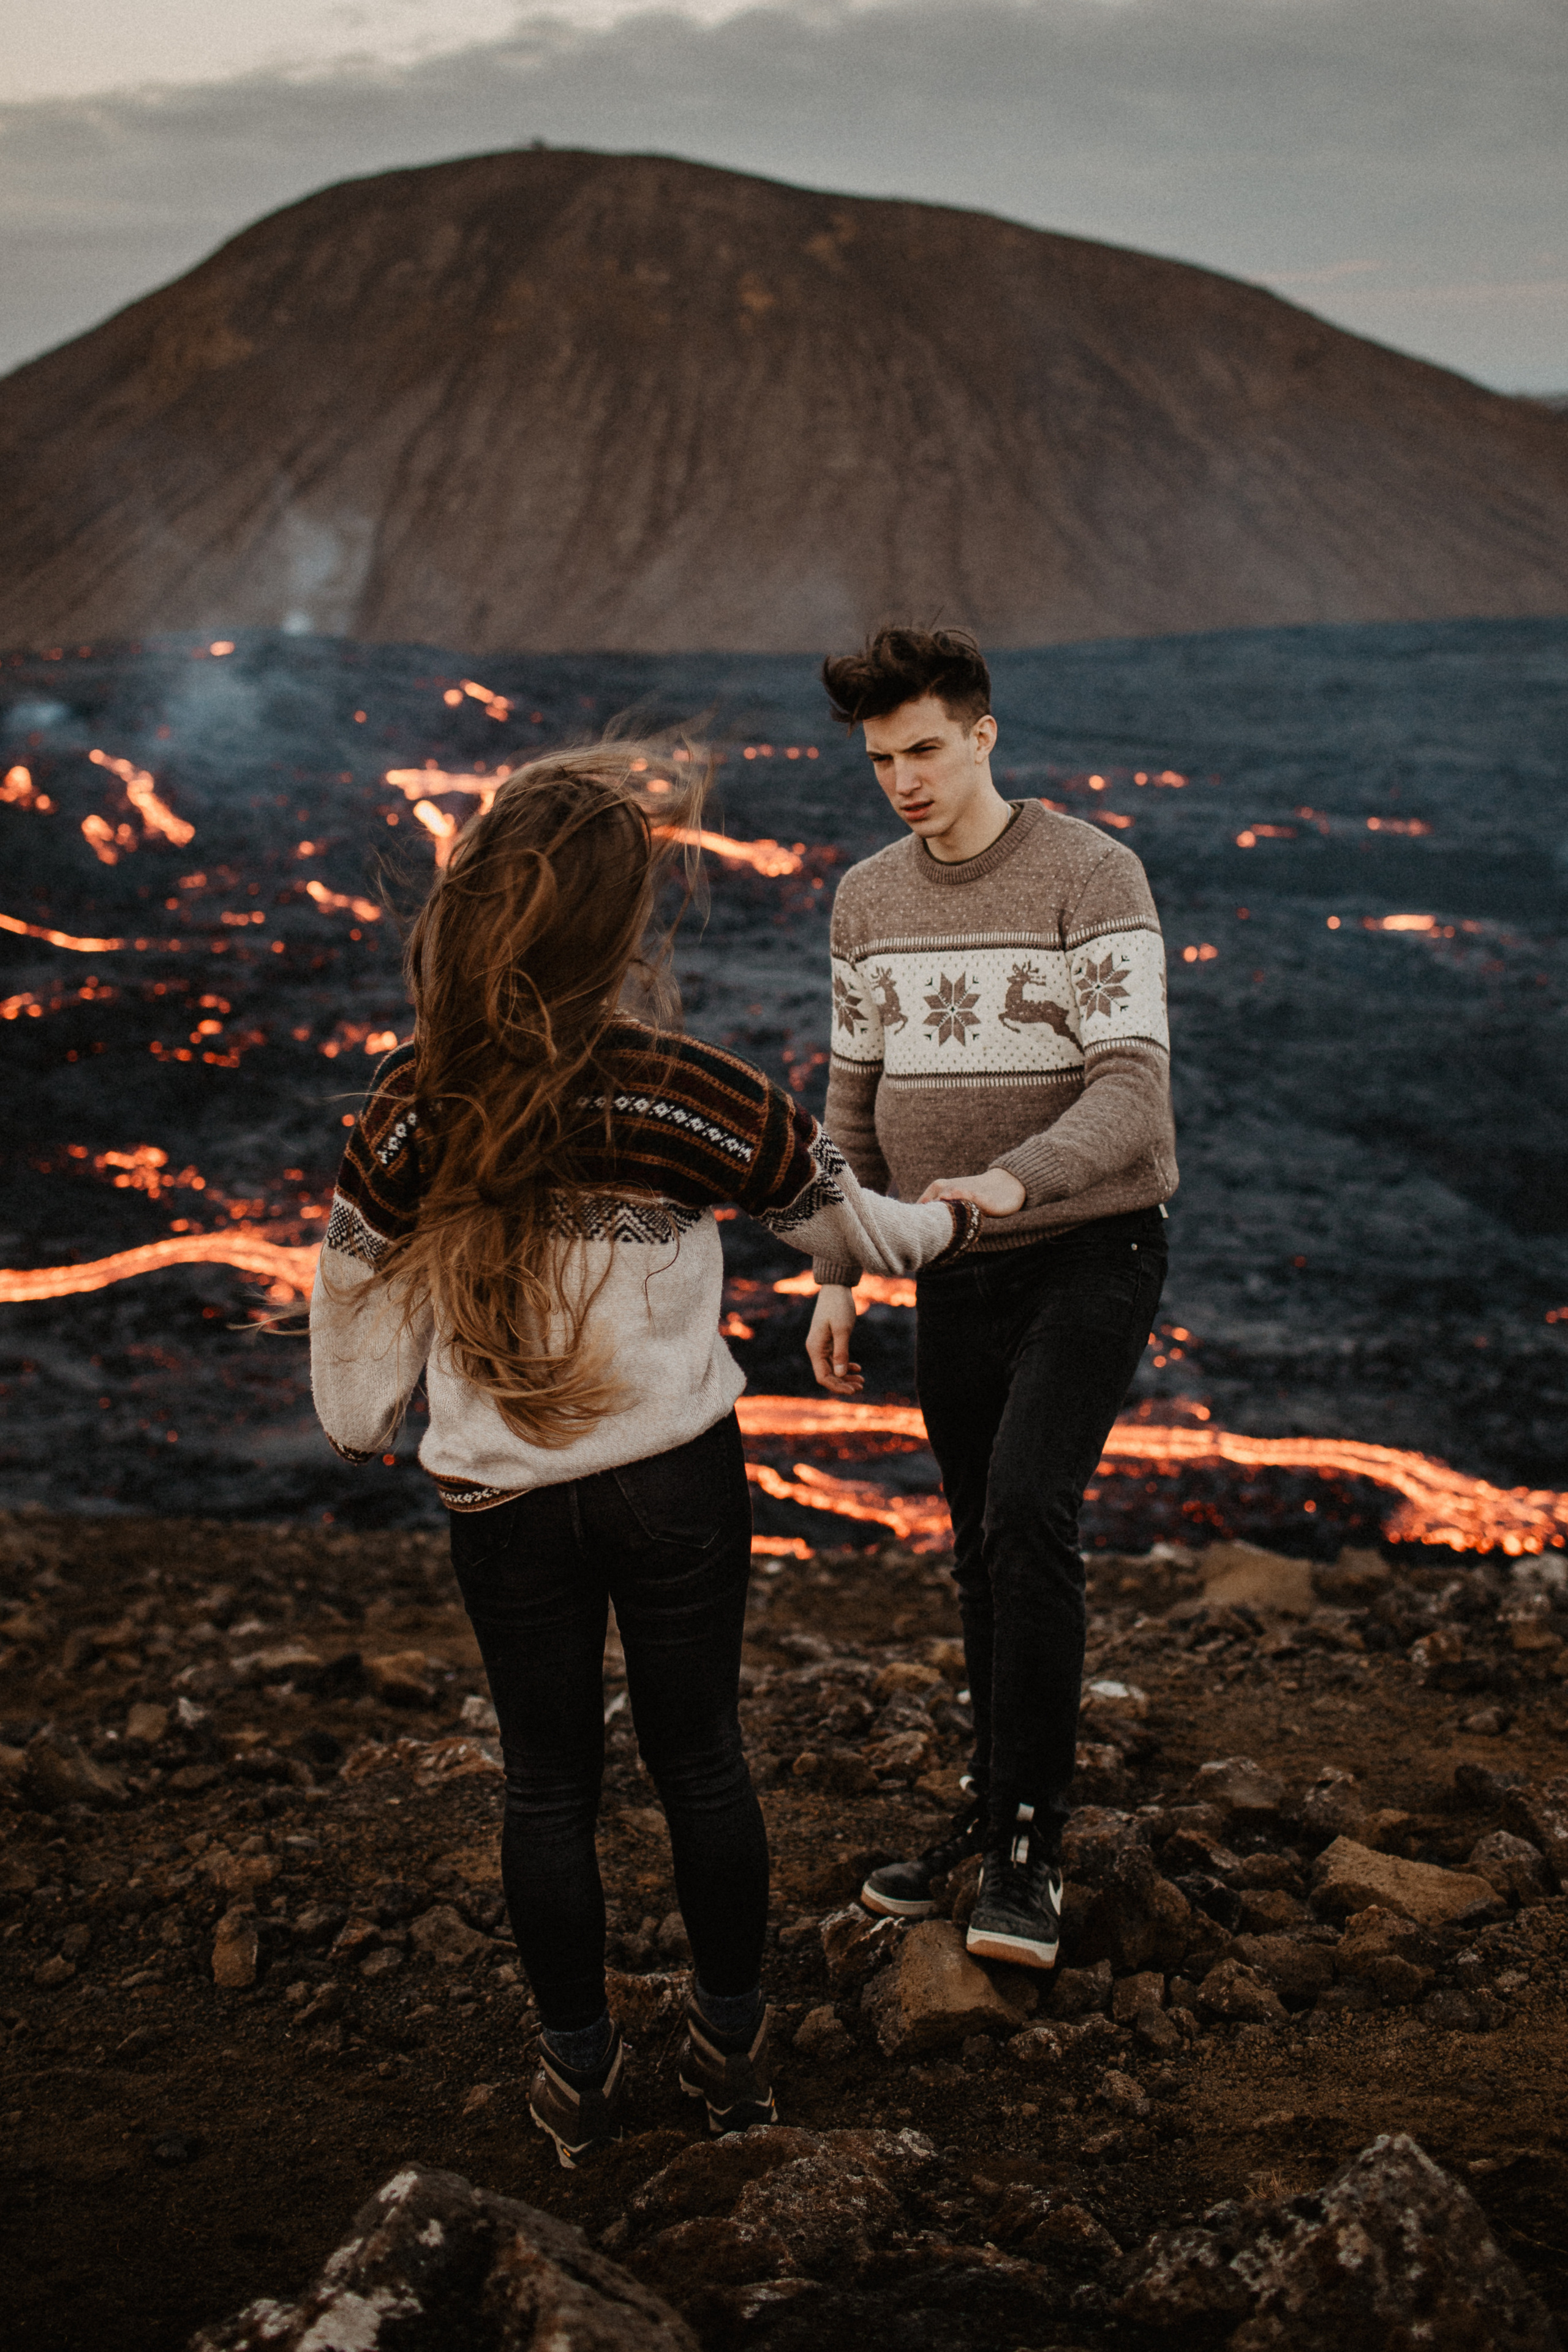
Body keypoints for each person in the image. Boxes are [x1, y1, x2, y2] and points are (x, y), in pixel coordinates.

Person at [309, 739, 988, 2168]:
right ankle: (732, 2058)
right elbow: (861, 1233)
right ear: (620, 926)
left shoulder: (412, 1098)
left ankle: (576, 2080)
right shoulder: (691, 1093)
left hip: (502, 1500)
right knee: (702, 1761)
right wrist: (961, 1215)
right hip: (676, 1481)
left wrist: (375, 1417)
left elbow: (353, 1334)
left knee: (544, 1784)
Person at [805, 628, 1176, 1969]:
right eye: (879, 760)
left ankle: (1030, 1846)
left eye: (923, 749)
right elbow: (849, 1103)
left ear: (982, 735)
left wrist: (1010, 1184)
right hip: (944, 1262)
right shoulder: (865, 899)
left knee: (1026, 1506)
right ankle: (988, 1812)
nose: (903, 779)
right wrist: (836, 1272)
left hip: (1089, 1247)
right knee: (977, 1543)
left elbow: (1133, 1088)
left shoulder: (1091, 871)